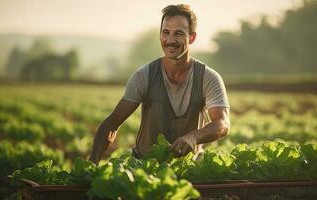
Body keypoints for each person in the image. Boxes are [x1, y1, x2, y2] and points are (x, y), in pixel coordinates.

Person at [89, 4, 230, 164]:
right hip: (146, 168)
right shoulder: (144, 76)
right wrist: (92, 164)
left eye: (178, 34)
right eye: (166, 32)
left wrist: (193, 137)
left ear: (191, 37)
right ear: (160, 35)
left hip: (189, 167)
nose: (170, 40)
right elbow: (113, 123)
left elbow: (222, 123)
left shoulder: (208, 77)